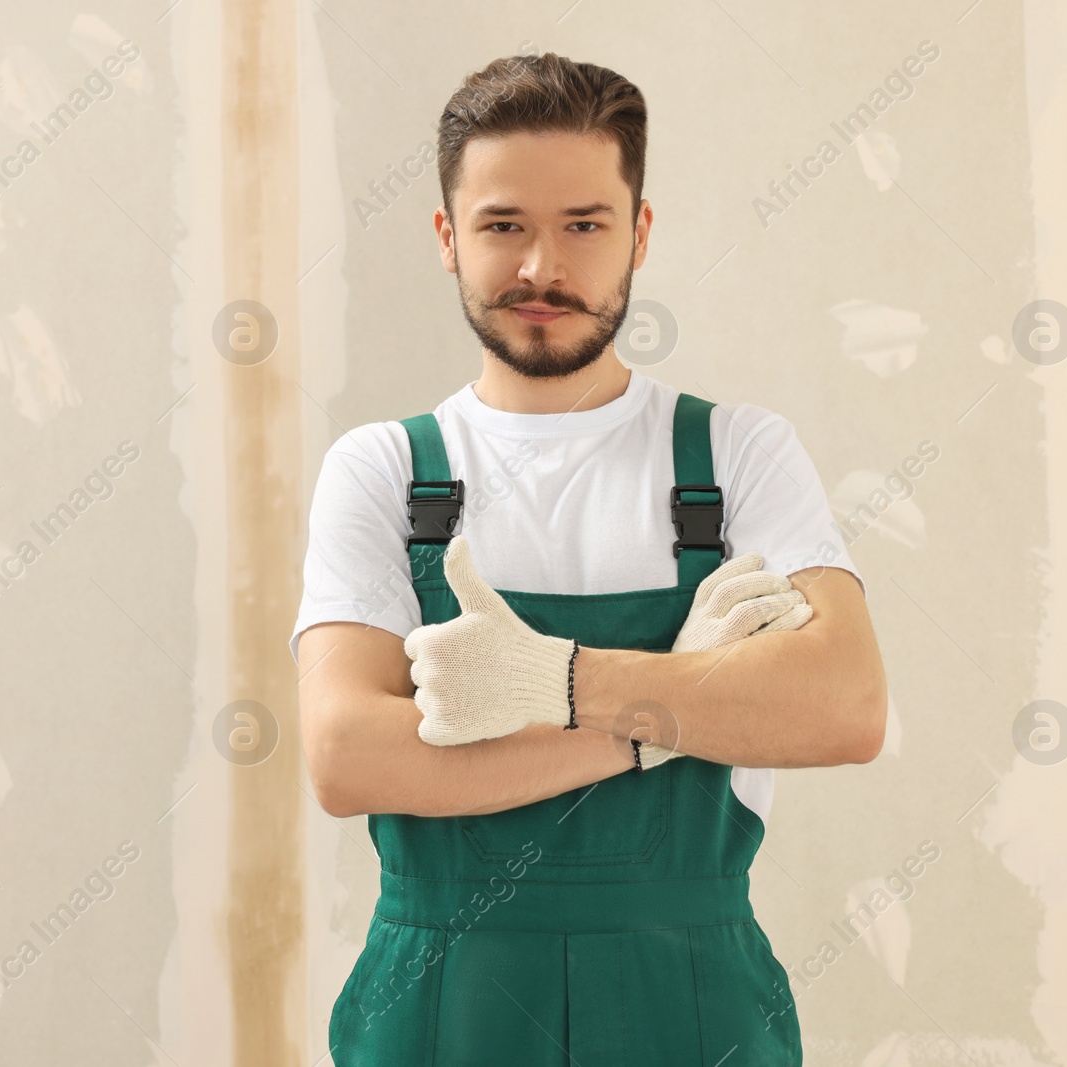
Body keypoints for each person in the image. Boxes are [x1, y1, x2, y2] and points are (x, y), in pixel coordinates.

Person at [292, 51, 887, 1066]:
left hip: (691, 1005)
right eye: (501, 225)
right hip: (438, 1007)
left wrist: (553, 683)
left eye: (582, 224)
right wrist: (659, 724)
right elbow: (348, 755)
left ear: (637, 234)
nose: (539, 267)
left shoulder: (736, 454)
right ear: (446, 236)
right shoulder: (384, 471)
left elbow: (844, 706)